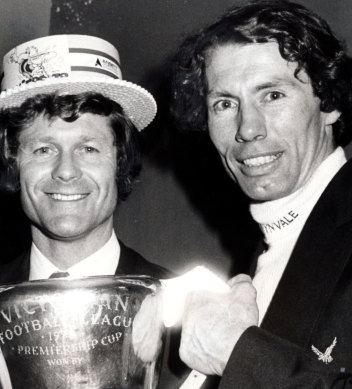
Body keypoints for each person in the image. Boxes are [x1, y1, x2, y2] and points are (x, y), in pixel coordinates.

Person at [0, 35, 184, 388]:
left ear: (120, 162)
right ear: (13, 162)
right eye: (43, 150)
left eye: (88, 148)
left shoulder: (186, 312)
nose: (66, 171)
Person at [170, 1, 352, 387]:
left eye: (272, 95)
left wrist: (237, 353)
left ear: (330, 102)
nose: (247, 129)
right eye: (224, 104)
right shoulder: (268, 248)